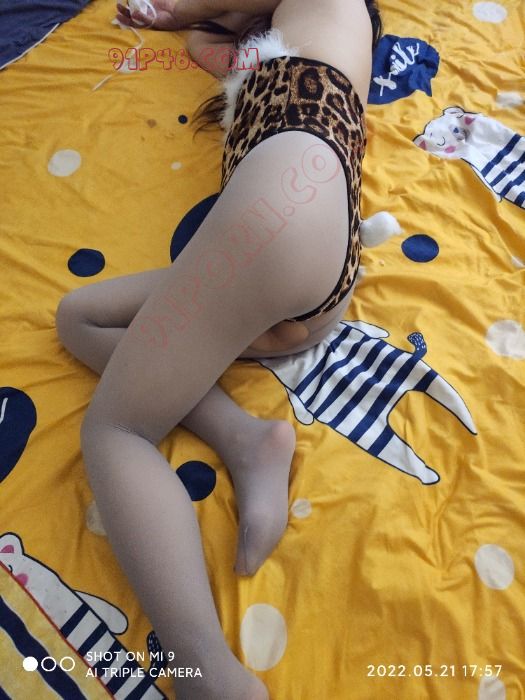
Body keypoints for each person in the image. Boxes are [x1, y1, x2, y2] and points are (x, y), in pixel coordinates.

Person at [56, 1, 381, 697]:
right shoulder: (298, 41)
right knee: (79, 317)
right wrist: (208, 25)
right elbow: (208, 48)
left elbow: (197, 16)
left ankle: (206, 671)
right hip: (309, 263)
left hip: (279, 218)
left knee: (117, 430)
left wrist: (169, 11)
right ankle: (246, 439)